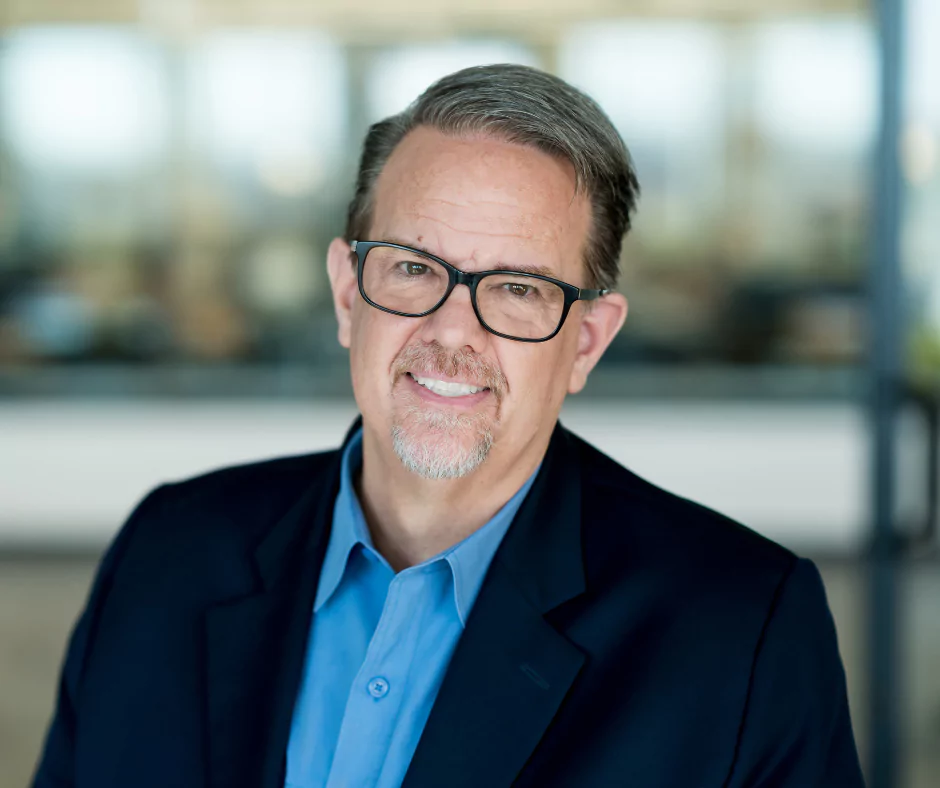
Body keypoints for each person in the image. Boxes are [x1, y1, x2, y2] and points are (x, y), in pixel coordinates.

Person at [32, 64, 865, 788]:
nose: (452, 332)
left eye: (518, 289)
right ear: (347, 294)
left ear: (585, 341)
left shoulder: (739, 630)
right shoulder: (165, 552)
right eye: (412, 268)